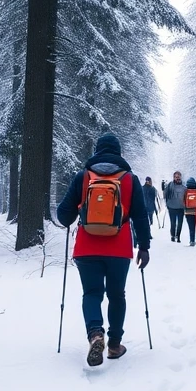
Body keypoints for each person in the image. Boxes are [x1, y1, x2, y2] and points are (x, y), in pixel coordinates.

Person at [56, 132, 151, 368]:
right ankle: (114, 345)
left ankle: (95, 333)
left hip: (86, 247)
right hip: (119, 249)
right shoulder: (130, 179)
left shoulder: (83, 177)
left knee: (91, 294)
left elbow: (63, 215)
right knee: (117, 295)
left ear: (97, 151)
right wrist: (144, 247)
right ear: (118, 153)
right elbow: (140, 216)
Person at [163, 170, 187, 243]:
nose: (177, 178)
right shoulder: (170, 186)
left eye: (178, 177)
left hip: (181, 208)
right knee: (173, 222)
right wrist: (167, 203)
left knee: (180, 223)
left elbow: (186, 197)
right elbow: (165, 194)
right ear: (173, 177)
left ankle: (178, 236)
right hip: (172, 207)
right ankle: (173, 235)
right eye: (176, 177)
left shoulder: (184, 187)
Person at [184, 177, 196, 246]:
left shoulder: (186, 192)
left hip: (188, 212)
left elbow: (183, 201)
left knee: (191, 227)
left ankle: (192, 241)